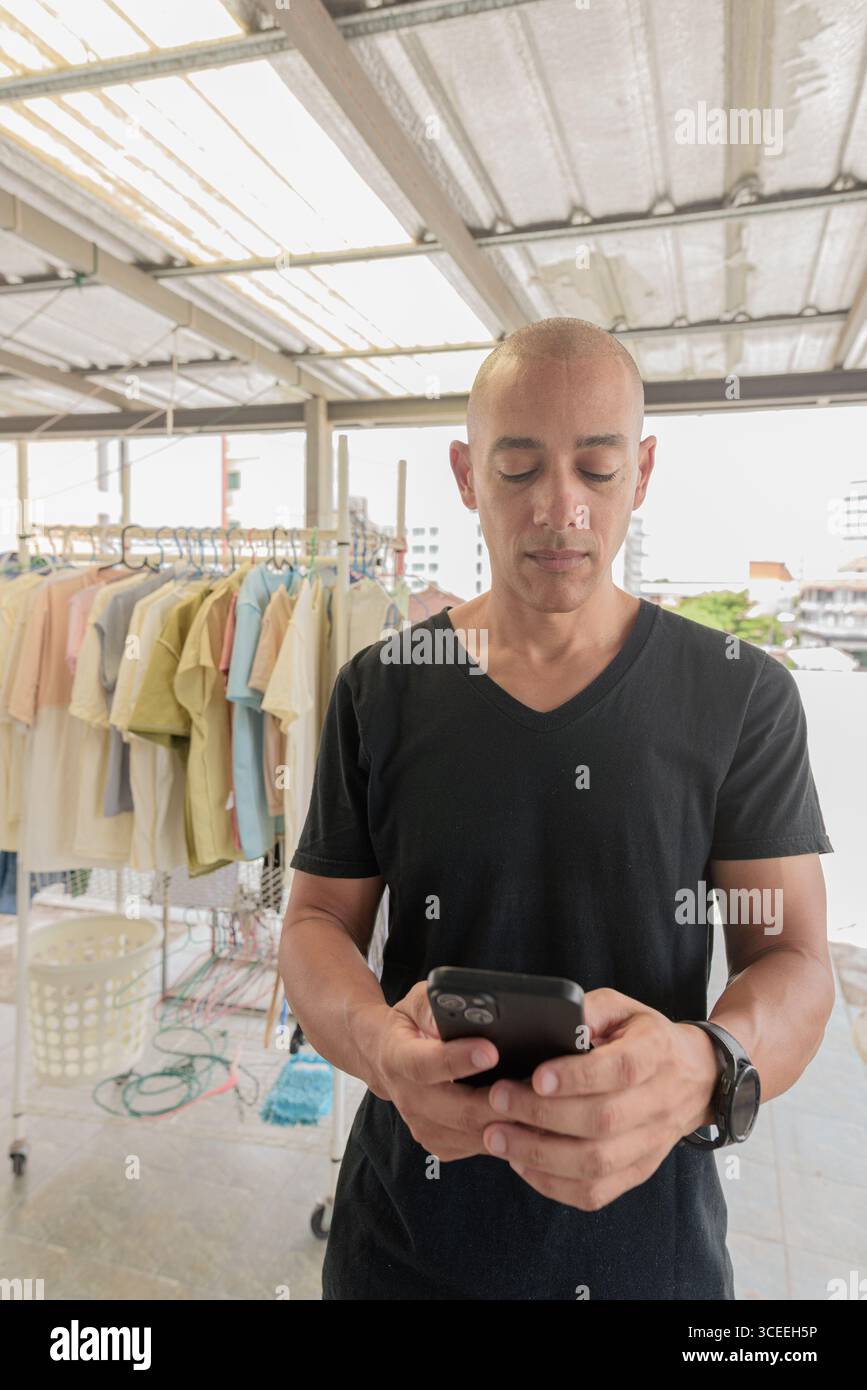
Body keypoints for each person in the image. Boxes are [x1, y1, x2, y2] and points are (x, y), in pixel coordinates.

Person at [280, 317, 834, 1300]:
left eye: (597, 469)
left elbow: (793, 957)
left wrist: (708, 1065)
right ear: (465, 473)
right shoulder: (384, 688)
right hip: (404, 1247)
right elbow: (319, 922)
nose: (561, 508)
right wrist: (378, 1047)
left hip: (647, 1260)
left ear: (645, 470)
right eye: (520, 467)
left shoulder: (739, 694)